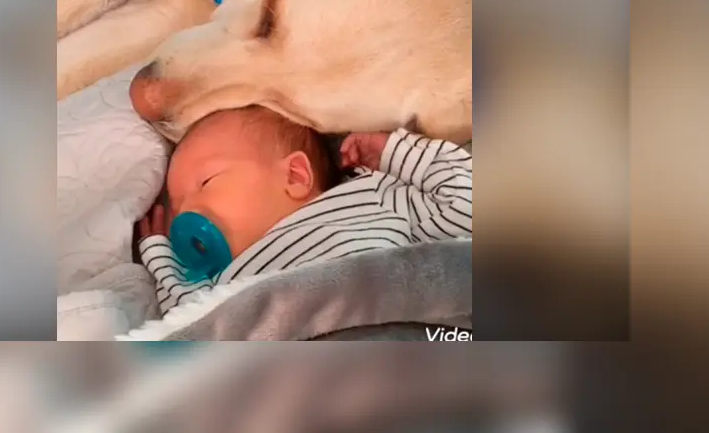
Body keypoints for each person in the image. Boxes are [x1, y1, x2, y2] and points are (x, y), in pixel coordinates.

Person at [136, 105, 472, 314]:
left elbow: (466, 206)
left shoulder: (366, 199)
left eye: (206, 182)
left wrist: (394, 152)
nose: (184, 214)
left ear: (295, 176)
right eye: (177, 207)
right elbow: (188, 322)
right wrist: (161, 255)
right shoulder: (217, 286)